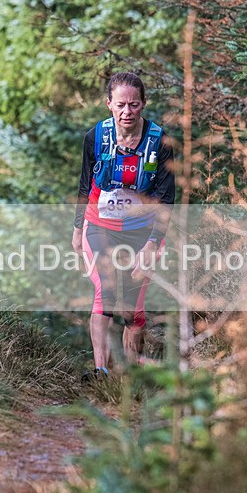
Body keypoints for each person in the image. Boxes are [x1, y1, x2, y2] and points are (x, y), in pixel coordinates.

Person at [72, 72, 175, 378]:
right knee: (104, 291)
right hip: (99, 223)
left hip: (142, 230)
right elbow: (84, 185)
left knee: (132, 309)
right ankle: (101, 371)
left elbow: (166, 199)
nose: (127, 112)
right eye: (120, 105)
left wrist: (152, 244)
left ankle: (129, 378)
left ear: (143, 104)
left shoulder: (160, 142)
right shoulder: (95, 137)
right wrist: (78, 230)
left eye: (133, 104)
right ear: (109, 105)